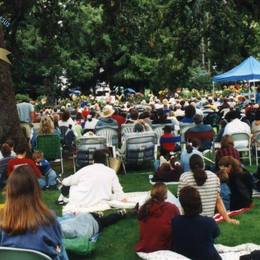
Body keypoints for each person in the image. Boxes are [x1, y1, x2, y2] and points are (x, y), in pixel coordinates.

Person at [0, 165, 68, 260]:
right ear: (36, 190)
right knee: (60, 248)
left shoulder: (3, 219)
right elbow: (58, 249)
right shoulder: (49, 218)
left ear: (9, 191)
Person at [178, 154, 239, 224]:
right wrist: (228, 219)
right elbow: (218, 201)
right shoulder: (214, 177)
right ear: (203, 165)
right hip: (208, 220)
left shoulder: (184, 178)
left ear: (190, 166)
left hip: (189, 220)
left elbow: (181, 202)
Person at [58, 150, 126, 211]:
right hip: (102, 199)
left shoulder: (85, 169)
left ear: (93, 160)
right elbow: (118, 189)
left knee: (72, 182)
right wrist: (122, 198)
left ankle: (61, 199)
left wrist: (63, 181)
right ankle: (61, 199)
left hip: (83, 200)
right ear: (105, 161)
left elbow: (70, 180)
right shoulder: (111, 172)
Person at [171, 186, 221, 260]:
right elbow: (216, 234)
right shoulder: (209, 222)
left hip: (182, 256)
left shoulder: (175, 221)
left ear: (182, 204)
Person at [135, 183, 180, 252]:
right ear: (165, 195)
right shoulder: (171, 208)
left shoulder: (144, 207)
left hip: (145, 245)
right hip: (162, 247)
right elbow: (178, 223)